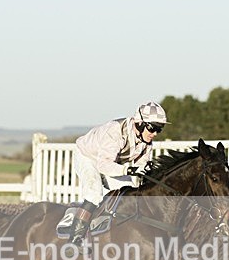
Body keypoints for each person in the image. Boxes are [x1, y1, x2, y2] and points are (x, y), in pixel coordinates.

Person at [67, 101, 169, 246]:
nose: (155, 134)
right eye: (153, 128)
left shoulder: (146, 141)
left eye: (160, 129)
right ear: (139, 123)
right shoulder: (115, 131)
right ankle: (75, 238)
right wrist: (126, 170)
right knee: (94, 192)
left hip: (111, 162)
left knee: (127, 194)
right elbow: (103, 165)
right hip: (87, 157)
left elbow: (140, 167)